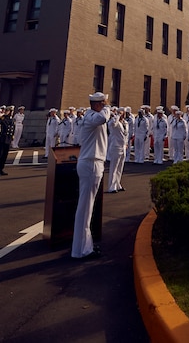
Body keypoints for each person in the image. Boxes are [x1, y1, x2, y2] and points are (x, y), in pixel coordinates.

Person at [72, 92, 110, 259]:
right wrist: (107, 107)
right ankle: (81, 250)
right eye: (103, 103)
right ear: (97, 105)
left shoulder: (92, 116)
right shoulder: (92, 117)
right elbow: (103, 118)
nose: (106, 106)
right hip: (90, 164)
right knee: (85, 208)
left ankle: (85, 247)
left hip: (92, 163)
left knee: (87, 208)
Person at [106, 108, 128, 193]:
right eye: (122, 113)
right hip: (116, 146)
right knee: (114, 167)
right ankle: (112, 186)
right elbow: (113, 124)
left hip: (123, 147)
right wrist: (117, 115)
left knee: (120, 167)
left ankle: (118, 184)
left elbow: (126, 134)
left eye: (124, 113)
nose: (124, 114)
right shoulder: (114, 122)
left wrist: (126, 143)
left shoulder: (125, 123)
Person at [0, 107, 16, 176]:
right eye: (10, 111)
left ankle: (1, 168)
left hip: (8, 139)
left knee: (4, 155)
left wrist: (12, 136)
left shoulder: (12, 119)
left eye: (12, 111)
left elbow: (13, 129)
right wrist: (4, 115)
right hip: (2, 139)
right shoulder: (4, 118)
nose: (12, 112)